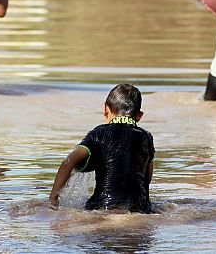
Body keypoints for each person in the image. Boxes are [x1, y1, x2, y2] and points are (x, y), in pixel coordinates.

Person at [49, 84, 155, 214]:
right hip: (140, 208)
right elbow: (147, 177)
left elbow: (68, 162)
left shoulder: (98, 134)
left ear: (105, 109)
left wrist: (53, 198)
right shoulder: (146, 137)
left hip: (101, 205)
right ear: (139, 116)